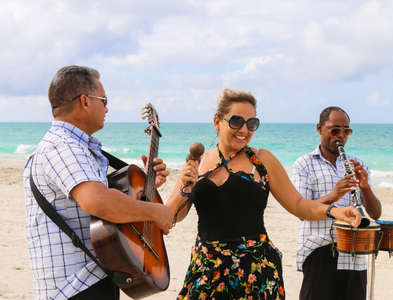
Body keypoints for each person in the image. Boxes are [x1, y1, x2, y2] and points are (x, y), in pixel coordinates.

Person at [167, 89, 363, 300]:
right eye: (236, 121)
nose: (244, 129)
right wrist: (185, 188)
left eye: (252, 124)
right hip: (206, 270)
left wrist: (335, 211)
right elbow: (171, 217)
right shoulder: (198, 162)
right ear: (217, 121)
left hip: (256, 273)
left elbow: (298, 204)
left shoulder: (261, 161)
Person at [23, 65, 173, 300]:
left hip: (90, 280)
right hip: (75, 287)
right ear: (85, 101)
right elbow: (99, 202)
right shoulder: (63, 147)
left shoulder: (76, 148)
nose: (107, 107)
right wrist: (155, 211)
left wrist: (147, 186)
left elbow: (103, 203)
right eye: (104, 100)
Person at [292, 106, 382, 300]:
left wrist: (365, 187)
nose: (340, 136)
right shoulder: (304, 164)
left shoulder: (357, 163)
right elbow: (300, 210)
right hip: (319, 250)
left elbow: (375, 214)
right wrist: (333, 196)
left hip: (354, 253)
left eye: (346, 131)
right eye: (334, 130)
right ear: (319, 128)